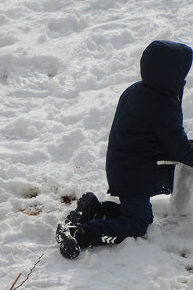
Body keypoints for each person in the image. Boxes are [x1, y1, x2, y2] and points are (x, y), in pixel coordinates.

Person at [57, 39, 193, 259]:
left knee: (139, 215)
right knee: (137, 224)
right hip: (134, 173)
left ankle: (94, 208)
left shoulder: (139, 90)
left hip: (126, 165)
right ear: (172, 73)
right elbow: (178, 148)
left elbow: (164, 137)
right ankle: (82, 233)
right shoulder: (162, 103)